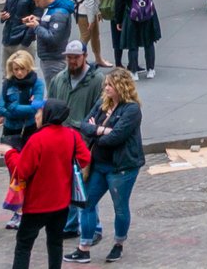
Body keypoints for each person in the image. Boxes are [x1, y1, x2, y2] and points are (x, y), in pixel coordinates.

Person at [68, 69, 143, 265]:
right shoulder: (103, 103)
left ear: (121, 86)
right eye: (106, 84)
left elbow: (116, 138)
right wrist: (101, 130)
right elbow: (84, 124)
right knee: (87, 203)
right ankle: (84, 248)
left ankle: (118, 244)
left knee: (120, 207)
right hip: (99, 164)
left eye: (110, 85)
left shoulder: (132, 109)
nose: (106, 88)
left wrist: (97, 132)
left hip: (121, 167)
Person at [3, 102, 89, 269]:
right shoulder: (71, 135)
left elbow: (21, 170)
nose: (36, 116)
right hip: (62, 203)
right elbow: (84, 158)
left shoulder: (37, 139)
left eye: (39, 112)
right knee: (55, 243)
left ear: (48, 114)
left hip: (37, 205)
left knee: (23, 246)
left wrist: (9, 153)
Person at [112, 0, 160, 80]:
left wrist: (118, 20)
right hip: (147, 13)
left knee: (132, 44)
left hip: (131, 14)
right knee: (149, 42)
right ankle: (150, 69)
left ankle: (133, 72)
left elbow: (119, 2)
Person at [0, 50, 45, 155]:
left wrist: (12, 107)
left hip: (29, 128)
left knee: (29, 163)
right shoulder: (8, 83)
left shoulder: (37, 83)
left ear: (28, 67)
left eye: (22, 68)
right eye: (16, 69)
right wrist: (25, 108)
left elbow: (35, 108)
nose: (19, 72)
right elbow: (0, 109)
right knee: (11, 164)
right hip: (9, 129)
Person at [44, 44, 100, 130]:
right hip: (59, 132)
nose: (72, 61)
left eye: (77, 57)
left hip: (83, 136)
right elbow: (50, 105)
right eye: (69, 57)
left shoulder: (98, 81)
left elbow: (100, 111)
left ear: (85, 56)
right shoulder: (58, 78)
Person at [69, 0, 108, 69]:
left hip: (91, 12)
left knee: (95, 36)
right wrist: (91, 19)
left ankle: (98, 59)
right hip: (84, 13)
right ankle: (77, 61)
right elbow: (90, 0)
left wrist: (97, 12)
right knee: (85, 37)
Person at [0, 0, 39, 67]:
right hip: (8, 39)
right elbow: (5, 9)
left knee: (25, 75)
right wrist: (3, 16)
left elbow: (37, 17)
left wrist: (25, 42)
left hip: (23, 41)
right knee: (6, 76)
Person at [30, 0, 73, 82]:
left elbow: (53, 38)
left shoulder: (59, 13)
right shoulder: (51, 8)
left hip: (54, 60)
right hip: (50, 58)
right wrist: (39, 21)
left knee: (54, 93)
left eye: (38, 1)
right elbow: (49, 25)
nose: (36, 5)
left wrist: (37, 27)